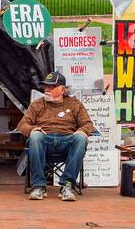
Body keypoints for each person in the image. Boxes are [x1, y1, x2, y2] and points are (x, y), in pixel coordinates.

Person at [19, 71, 94, 201]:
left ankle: (67, 186)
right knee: (35, 136)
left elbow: (88, 123)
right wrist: (32, 129)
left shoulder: (75, 104)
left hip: (66, 141)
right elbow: (22, 124)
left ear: (62, 89)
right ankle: (39, 186)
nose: (47, 90)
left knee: (81, 138)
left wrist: (82, 131)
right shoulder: (37, 104)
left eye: (51, 87)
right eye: (45, 87)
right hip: (44, 141)